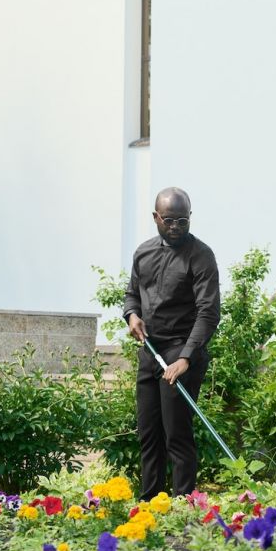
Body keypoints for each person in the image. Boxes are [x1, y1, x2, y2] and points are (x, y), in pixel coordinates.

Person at [123, 187, 220, 499]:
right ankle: (149, 502)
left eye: (182, 220)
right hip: (151, 350)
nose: (176, 227)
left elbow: (208, 313)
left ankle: (183, 505)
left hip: (181, 349)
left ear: (190, 218)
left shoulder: (201, 256)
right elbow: (132, 295)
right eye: (169, 220)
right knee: (148, 432)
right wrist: (132, 315)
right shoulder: (143, 253)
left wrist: (186, 358)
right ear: (155, 218)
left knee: (176, 433)